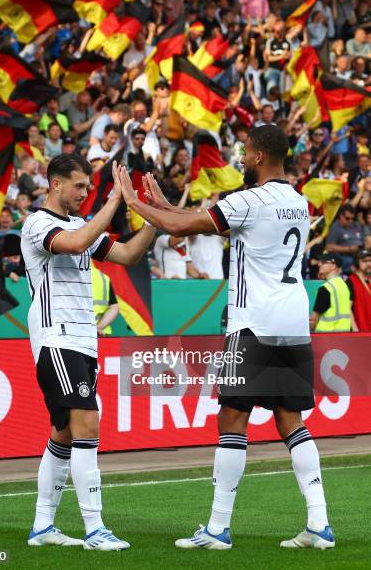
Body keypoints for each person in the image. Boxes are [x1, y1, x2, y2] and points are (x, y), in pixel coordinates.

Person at [119, 124, 334, 550]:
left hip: (252, 323)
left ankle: (217, 528)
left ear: (257, 157)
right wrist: (162, 204)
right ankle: (319, 525)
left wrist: (134, 202)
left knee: (232, 418)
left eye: (244, 150)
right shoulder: (297, 200)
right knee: (292, 421)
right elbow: (205, 224)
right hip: (292, 323)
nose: (239, 156)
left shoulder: (249, 200)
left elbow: (184, 229)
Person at [21, 153, 155, 550]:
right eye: (79, 185)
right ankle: (95, 529)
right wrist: (115, 200)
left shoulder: (81, 224)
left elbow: (127, 256)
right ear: (55, 184)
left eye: (88, 186)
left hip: (82, 341)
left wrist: (154, 221)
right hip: (56, 337)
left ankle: (43, 526)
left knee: (62, 435)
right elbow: (76, 243)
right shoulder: (37, 224)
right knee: (87, 424)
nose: (85, 192)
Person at [309, 253, 352, 333]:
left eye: (323, 262)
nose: (319, 264)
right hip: (344, 335)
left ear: (333, 266)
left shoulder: (326, 288)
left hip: (326, 336)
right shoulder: (344, 285)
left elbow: (313, 319)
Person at [91, 262, 119, 336]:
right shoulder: (102, 277)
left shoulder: (64, 275)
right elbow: (114, 307)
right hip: (100, 334)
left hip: (74, 333)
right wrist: (99, 327)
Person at [346, 249, 371, 332]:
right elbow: (348, 308)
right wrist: (355, 329)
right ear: (356, 264)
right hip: (361, 331)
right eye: (364, 261)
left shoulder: (369, 280)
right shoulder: (350, 281)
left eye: (370, 260)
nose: (369, 264)